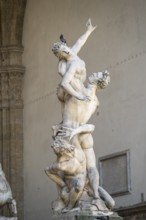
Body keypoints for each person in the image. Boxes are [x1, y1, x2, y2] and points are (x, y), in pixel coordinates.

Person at [52, 18, 97, 104]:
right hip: (78, 86)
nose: (67, 51)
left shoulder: (73, 52)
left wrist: (89, 30)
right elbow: (64, 83)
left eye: (65, 48)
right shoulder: (72, 65)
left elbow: (80, 41)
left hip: (80, 81)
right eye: (63, 53)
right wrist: (78, 95)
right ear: (62, 56)